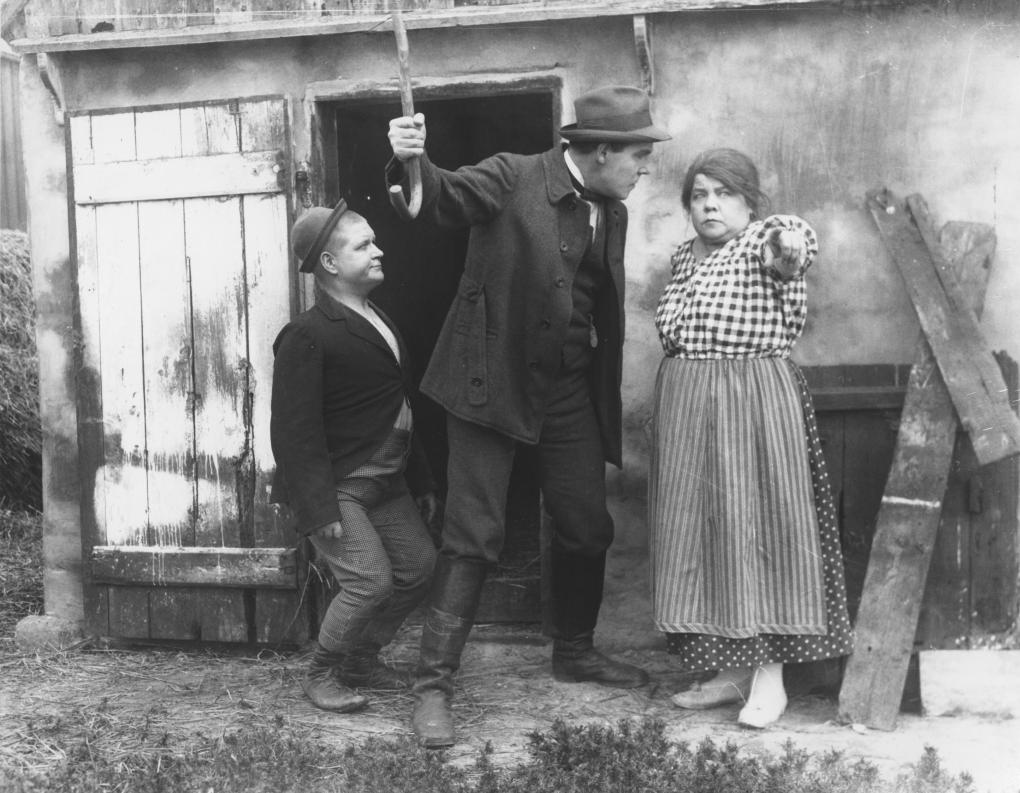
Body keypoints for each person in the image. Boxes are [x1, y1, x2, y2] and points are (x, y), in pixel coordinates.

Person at [386, 85, 671, 748]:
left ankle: (574, 650)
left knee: (586, 525)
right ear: (601, 152)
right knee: (473, 535)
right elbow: (442, 195)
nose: (644, 169)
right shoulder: (513, 176)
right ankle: (432, 686)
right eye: (638, 156)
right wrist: (408, 159)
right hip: (487, 384)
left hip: (565, 390)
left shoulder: (611, 210)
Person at [649, 148, 853, 728]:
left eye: (724, 194)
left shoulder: (763, 243)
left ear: (750, 203)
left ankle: (770, 679)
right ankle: (732, 671)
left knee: (757, 529)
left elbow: (794, 241)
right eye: (699, 195)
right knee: (706, 534)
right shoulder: (685, 256)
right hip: (689, 407)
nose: (710, 205)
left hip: (751, 403)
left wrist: (788, 241)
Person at [270, 201, 439, 713]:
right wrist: (317, 507)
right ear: (329, 263)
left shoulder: (379, 319)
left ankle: (362, 659)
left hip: (387, 483)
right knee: (369, 581)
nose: (378, 250)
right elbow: (294, 432)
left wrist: (422, 479)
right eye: (363, 245)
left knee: (420, 568)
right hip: (340, 487)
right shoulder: (307, 333)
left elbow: (399, 405)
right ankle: (321, 673)